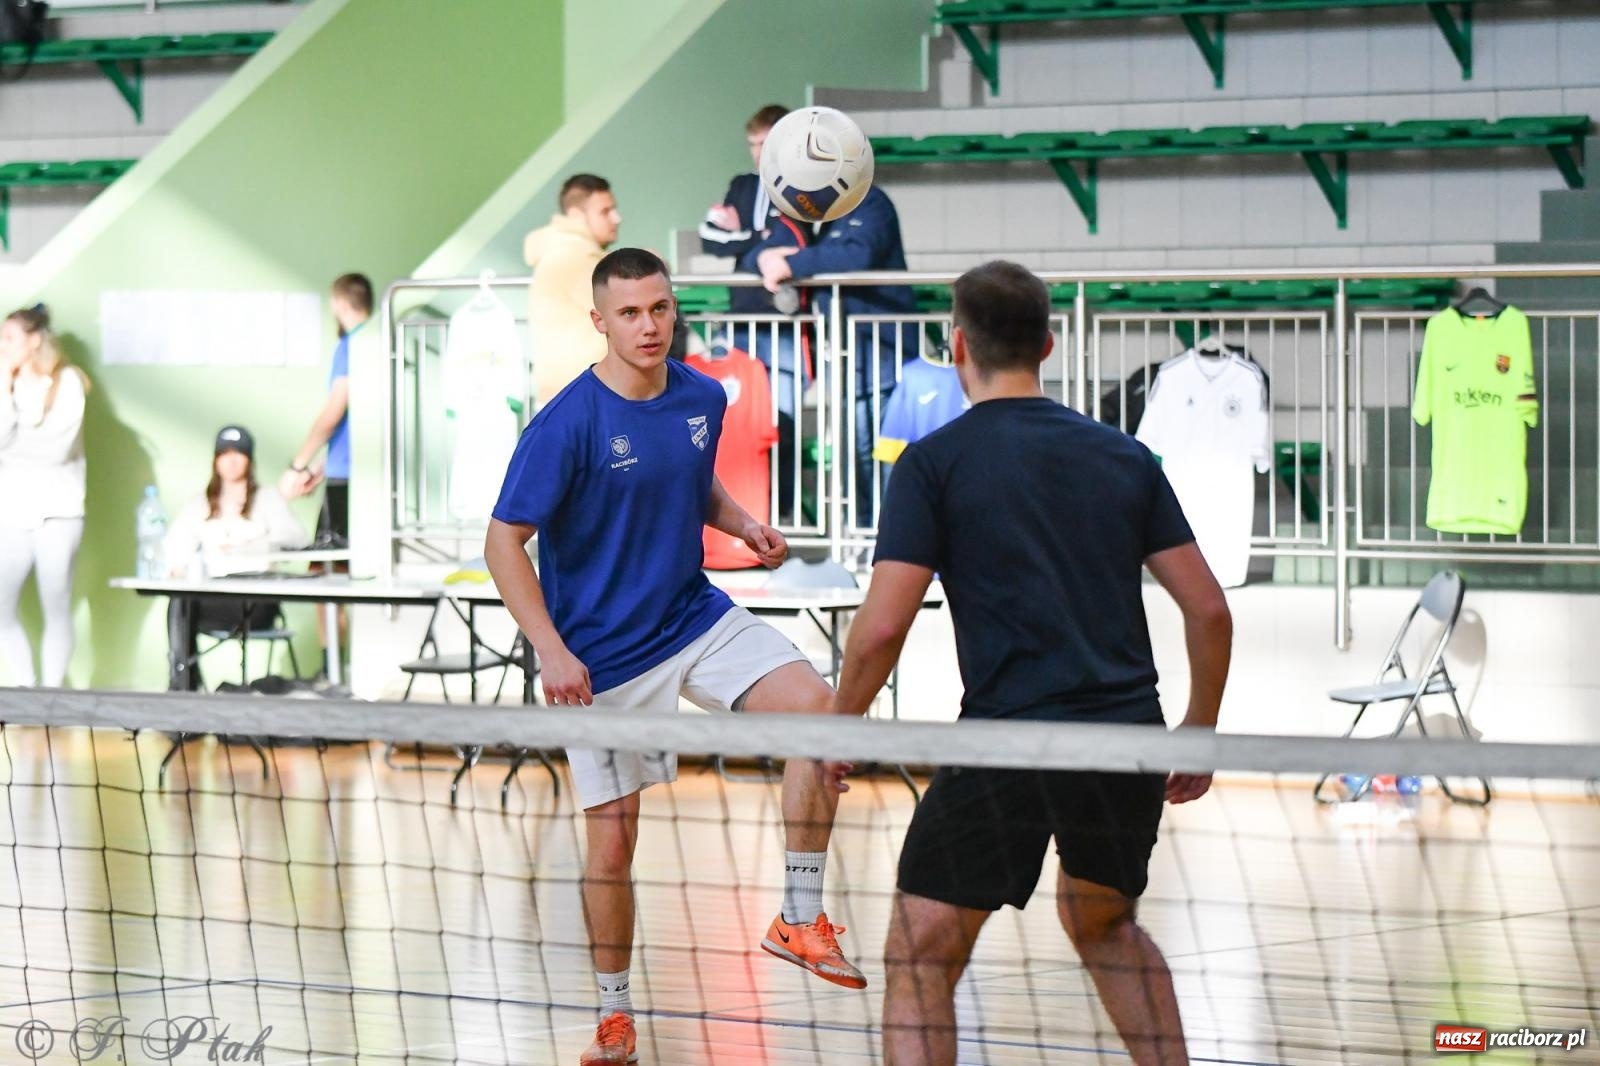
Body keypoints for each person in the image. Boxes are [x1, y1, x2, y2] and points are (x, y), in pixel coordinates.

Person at [831, 261, 1233, 1066]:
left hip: (1007, 742)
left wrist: (837, 727)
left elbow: (881, 629)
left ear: (957, 346)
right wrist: (1199, 728)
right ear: (1048, 344)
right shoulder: (1125, 456)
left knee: (920, 954)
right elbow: (1210, 610)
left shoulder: (933, 463)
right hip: (1126, 740)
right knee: (1105, 925)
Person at [485, 248, 865, 1065]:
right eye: (629, 313)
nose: (648, 325)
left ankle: (799, 917)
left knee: (820, 713)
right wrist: (550, 649)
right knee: (613, 845)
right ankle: (614, 1016)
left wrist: (744, 524)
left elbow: (693, 485)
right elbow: (502, 543)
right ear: (600, 322)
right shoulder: (566, 424)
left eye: (659, 308)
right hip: (602, 658)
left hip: (693, 618)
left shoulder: (700, 395)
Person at [747, 183, 918, 526]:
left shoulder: (871, 202)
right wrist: (766, 257)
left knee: (882, 454)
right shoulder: (811, 213)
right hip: (842, 357)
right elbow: (760, 253)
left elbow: (857, 255)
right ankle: (865, 530)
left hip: (881, 352)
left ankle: (886, 533)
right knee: (855, 451)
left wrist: (792, 262)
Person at [700, 104, 810, 518]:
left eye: (767, 143)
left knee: (780, 418)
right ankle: (740, 509)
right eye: (753, 144)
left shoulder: (804, 187)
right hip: (741, 323)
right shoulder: (742, 185)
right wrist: (760, 238)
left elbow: (792, 243)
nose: (759, 152)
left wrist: (743, 237)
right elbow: (710, 238)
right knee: (735, 418)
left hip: (784, 326)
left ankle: (781, 512)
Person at [164, 425, 309, 691]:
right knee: (180, 603)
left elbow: (297, 540)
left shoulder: (268, 499)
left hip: (256, 600)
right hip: (214, 598)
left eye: (238, 454)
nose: (231, 461)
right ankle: (184, 685)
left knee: (185, 604)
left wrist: (254, 541)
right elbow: (175, 546)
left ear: (249, 460)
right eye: (225, 453)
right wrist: (179, 565)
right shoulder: (199, 504)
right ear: (215, 460)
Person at [283, 273, 369, 678]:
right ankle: (339, 666)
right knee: (341, 571)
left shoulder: (352, 345)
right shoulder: (375, 341)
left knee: (326, 573)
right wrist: (322, 467)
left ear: (338, 303)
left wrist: (299, 464)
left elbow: (337, 409)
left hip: (347, 482)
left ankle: (333, 669)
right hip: (353, 473)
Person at [0, 305, 88, 688]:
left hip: (59, 511)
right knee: (3, 606)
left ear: (34, 340)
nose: (2, 346)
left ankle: (52, 695)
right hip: (12, 511)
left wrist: (14, 449)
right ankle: (26, 689)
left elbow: (55, 449)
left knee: (56, 601)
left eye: (9, 338)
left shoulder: (67, 382)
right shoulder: (5, 383)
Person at [525, 173, 622, 406]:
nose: (617, 218)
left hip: (574, 393)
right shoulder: (575, 257)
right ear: (577, 216)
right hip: (581, 397)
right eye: (605, 211)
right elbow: (622, 312)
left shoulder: (567, 252)